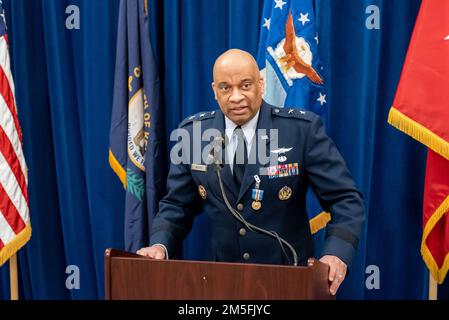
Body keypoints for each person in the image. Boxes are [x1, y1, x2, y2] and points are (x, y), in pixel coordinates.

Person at [137, 49, 364, 295]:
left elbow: (345, 200)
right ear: (214, 90)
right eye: (225, 88)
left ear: (261, 84)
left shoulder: (301, 131)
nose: (236, 97)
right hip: (220, 285)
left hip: (288, 282)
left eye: (245, 85)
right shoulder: (193, 135)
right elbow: (176, 206)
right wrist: (160, 244)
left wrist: (336, 254)